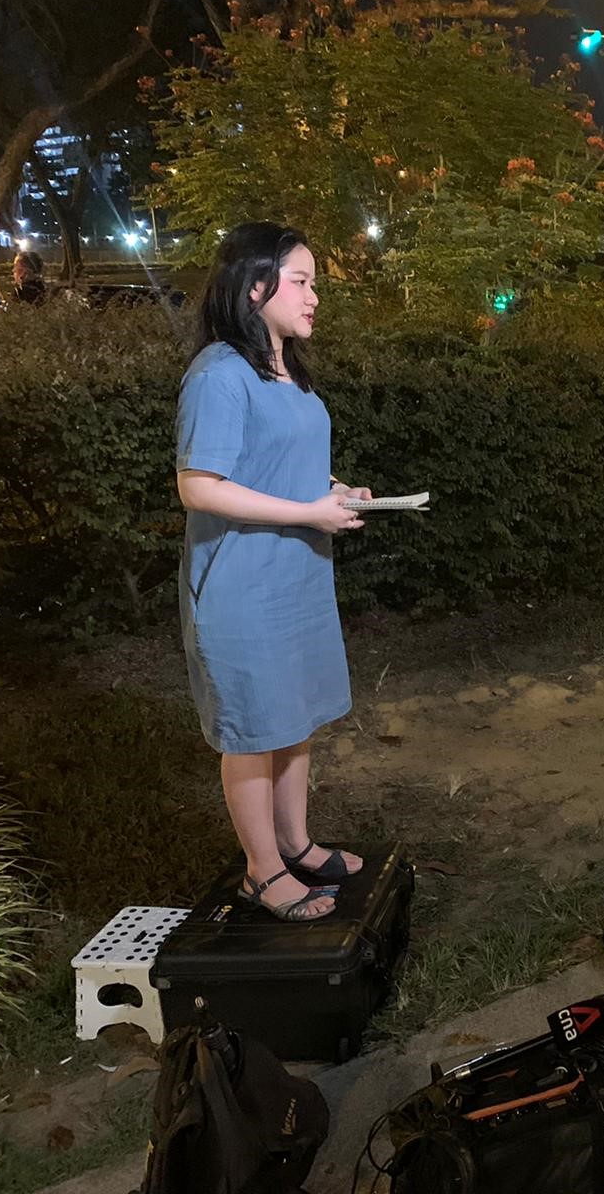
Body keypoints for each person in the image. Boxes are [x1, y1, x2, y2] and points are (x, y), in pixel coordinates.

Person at [175, 222, 372, 922]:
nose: (315, 295)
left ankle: (296, 842)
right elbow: (200, 486)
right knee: (255, 729)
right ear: (255, 287)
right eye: (302, 280)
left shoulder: (286, 370)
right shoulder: (220, 374)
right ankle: (262, 871)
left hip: (296, 582)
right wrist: (307, 512)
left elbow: (279, 465)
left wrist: (334, 491)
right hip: (240, 590)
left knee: (293, 721)